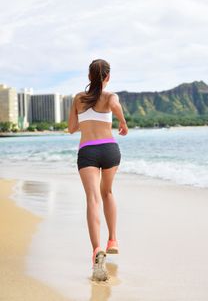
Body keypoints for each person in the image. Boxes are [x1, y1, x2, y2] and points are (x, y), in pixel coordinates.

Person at [68, 59, 128, 281]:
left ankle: (96, 250)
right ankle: (113, 239)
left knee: (93, 199)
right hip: (110, 150)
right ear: (107, 77)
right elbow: (115, 106)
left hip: (88, 152)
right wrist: (123, 123)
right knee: (108, 193)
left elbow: (72, 128)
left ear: (89, 77)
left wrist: (82, 117)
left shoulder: (78, 99)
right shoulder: (111, 97)